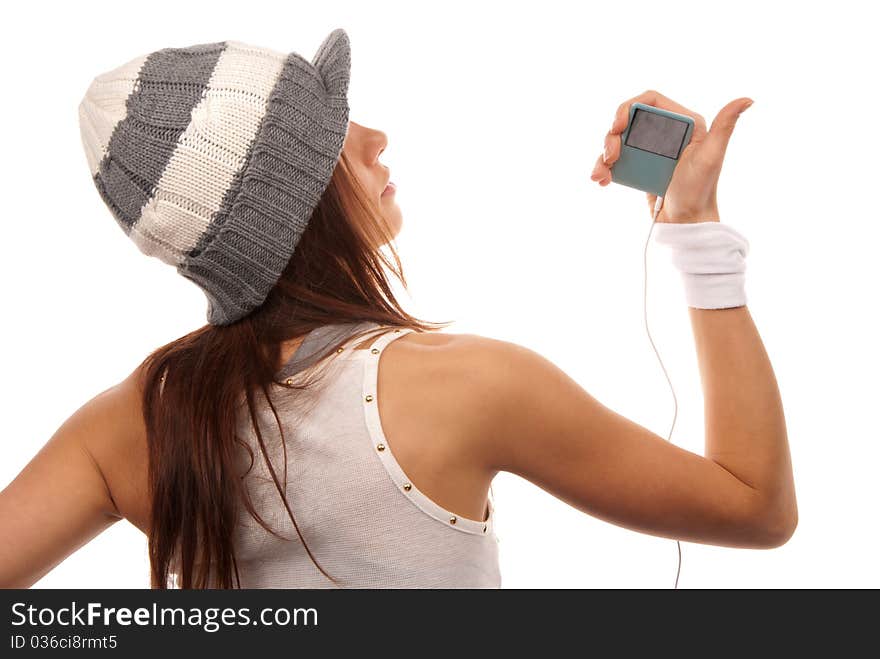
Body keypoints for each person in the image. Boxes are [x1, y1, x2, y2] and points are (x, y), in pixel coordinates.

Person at [0, 29, 796, 589]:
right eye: (334, 134)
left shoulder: (130, 422)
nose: (376, 139)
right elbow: (754, 505)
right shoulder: (471, 386)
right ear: (289, 203)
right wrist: (697, 229)